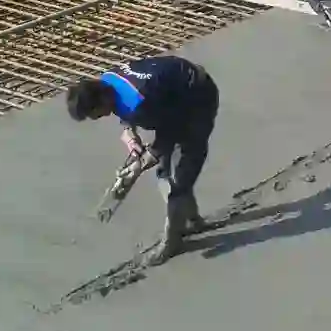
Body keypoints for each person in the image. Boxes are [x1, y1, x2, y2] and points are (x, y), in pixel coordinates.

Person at [67, 55, 219, 266]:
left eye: (97, 114)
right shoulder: (108, 79)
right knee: (169, 171)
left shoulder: (141, 104)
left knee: (175, 177)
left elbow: (170, 131)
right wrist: (128, 131)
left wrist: (141, 164)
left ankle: (172, 241)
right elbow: (127, 101)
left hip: (198, 99)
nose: (99, 118)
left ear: (102, 100)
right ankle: (192, 219)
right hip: (174, 91)